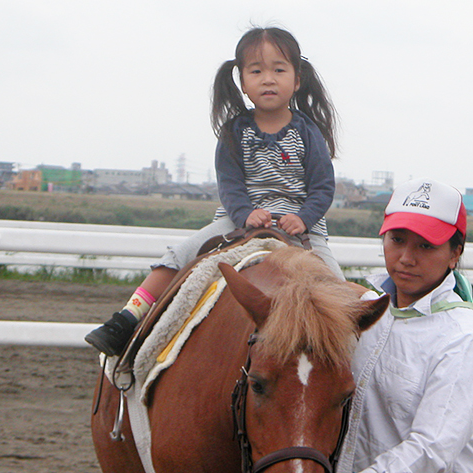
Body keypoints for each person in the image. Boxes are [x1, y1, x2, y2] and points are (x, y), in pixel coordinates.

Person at [85, 26, 344, 357]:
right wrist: (245, 214)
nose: (268, 79)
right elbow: (230, 185)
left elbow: (323, 187)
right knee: (181, 254)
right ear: (243, 83)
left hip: (299, 222)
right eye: (257, 71)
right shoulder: (234, 132)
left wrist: (304, 218)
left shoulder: (309, 133)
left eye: (279, 70)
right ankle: (127, 318)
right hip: (239, 219)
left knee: (336, 286)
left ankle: (355, 353)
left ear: (296, 80)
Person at [338, 178, 473, 472]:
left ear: (455, 254)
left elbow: (433, 446)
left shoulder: (462, 337)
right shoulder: (368, 311)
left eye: (425, 245)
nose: (406, 258)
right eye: (397, 240)